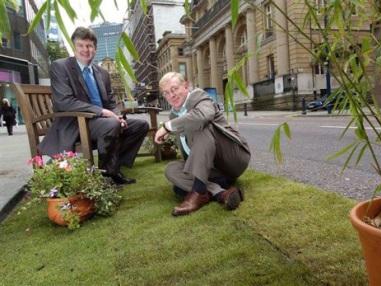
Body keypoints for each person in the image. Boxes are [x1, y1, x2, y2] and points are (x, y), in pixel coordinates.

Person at [39, 27, 149, 185]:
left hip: (101, 122)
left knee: (140, 126)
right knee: (111, 124)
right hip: (75, 123)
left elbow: (111, 101)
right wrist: (103, 112)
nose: (85, 50)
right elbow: (64, 101)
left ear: (95, 49)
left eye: (89, 46)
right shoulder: (60, 66)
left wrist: (118, 116)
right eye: (81, 45)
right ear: (74, 47)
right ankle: (107, 175)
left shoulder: (101, 72)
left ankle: (113, 166)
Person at [155, 72, 251, 216]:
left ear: (186, 86)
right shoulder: (173, 115)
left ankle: (199, 191)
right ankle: (221, 192)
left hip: (232, 157)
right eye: (166, 93)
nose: (171, 96)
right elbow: (190, 147)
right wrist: (171, 129)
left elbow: (201, 117)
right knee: (171, 170)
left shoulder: (199, 97)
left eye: (174, 89)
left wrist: (167, 127)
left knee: (199, 125)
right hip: (211, 167)